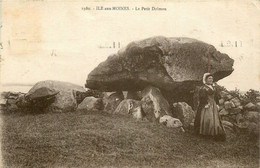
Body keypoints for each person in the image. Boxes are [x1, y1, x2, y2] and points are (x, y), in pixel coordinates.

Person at [194, 73, 226, 141]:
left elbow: (216, 96)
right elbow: (201, 97)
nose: (211, 80)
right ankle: (206, 133)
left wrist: (217, 104)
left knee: (215, 119)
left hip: (213, 105)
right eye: (209, 78)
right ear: (206, 80)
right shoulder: (203, 88)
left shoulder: (214, 87)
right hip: (207, 105)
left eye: (212, 78)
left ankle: (214, 133)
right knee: (208, 118)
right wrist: (205, 104)